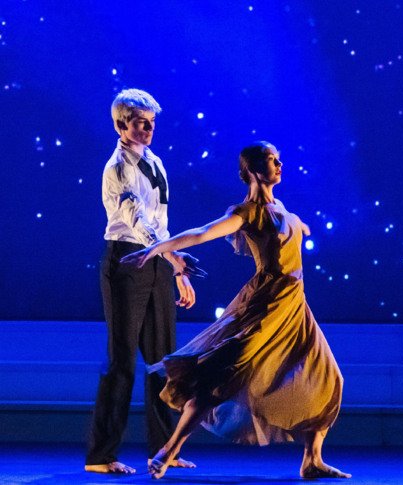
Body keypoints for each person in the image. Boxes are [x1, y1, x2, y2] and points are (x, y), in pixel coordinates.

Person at [120, 141, 350, 479]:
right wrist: (156, 249)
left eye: (279, 159)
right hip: (264, 306)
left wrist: (299, 225)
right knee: (218, 379)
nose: (280, 164)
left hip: (295, 309)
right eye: (273, 160)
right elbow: (202, 233)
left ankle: (312, 459)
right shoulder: (246, 213)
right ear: (256, 170)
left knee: (330, 377)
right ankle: (170, 449)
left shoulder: (283, 209)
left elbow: (288, 229)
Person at [85, 88, 205, 474]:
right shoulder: (118, 166)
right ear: (122, 125)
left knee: (163, 361)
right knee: (122, 361)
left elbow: (162, 224)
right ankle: (101, 455)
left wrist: (175, 271)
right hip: (126, 261)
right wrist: (174, 258)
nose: (149, 128)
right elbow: (138, 224)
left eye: (152, 122)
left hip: (156, 264)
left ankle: (163, 448)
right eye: (141, 122)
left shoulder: (154, 161)